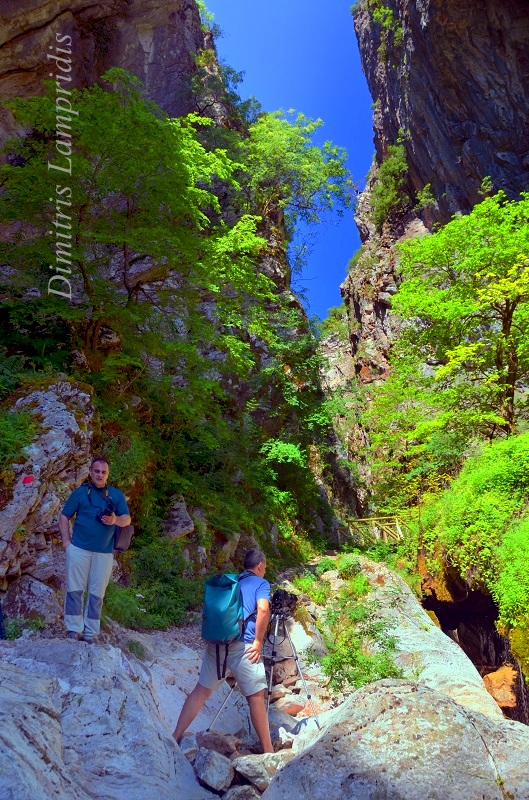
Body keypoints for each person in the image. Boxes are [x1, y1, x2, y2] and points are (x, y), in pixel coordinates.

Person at [172, 547, 273, 753]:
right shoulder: (261, 583)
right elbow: (263, 608)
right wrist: (258, 642)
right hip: (244, 646)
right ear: (260, 566)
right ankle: (269, 751)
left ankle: (175, 737)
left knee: (201, 691)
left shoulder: (231, 582)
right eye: (265, 568)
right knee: (255, 696)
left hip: (217, 644)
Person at [59, 457, 131, 643]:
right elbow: (64, 516)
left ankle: (91, 633)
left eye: (103, 472)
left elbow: (127, 519)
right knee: (75, 590)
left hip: (104, 552)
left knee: (97, 593)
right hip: (78, 549)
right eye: (96, 471)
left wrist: (115, 520)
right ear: (90, 471)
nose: (99, 475)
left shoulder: (116, 495)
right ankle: (73, 630)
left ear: (108, 474)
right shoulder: (80, 493)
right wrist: (67, 543)